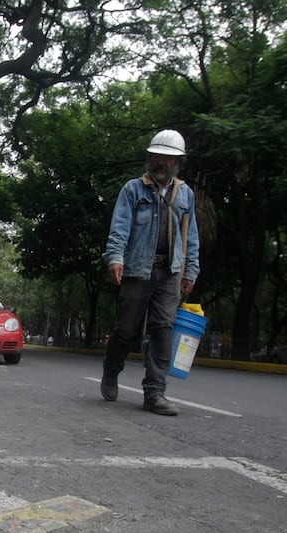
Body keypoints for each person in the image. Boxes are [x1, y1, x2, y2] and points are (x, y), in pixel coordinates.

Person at [101, 129, 200, 416]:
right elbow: (119, 227)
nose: (163, 164)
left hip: (169, 272)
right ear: (150, 158)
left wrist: (190, 271)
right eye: (158, 157)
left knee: (162, 329)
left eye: (169, 160)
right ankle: (111, 368)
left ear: (178, 163)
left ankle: (155, 393)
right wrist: (115, 259)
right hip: (137, 269)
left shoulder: (186, 195)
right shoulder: (132, 190)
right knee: (125, 330)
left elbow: (191, 236)